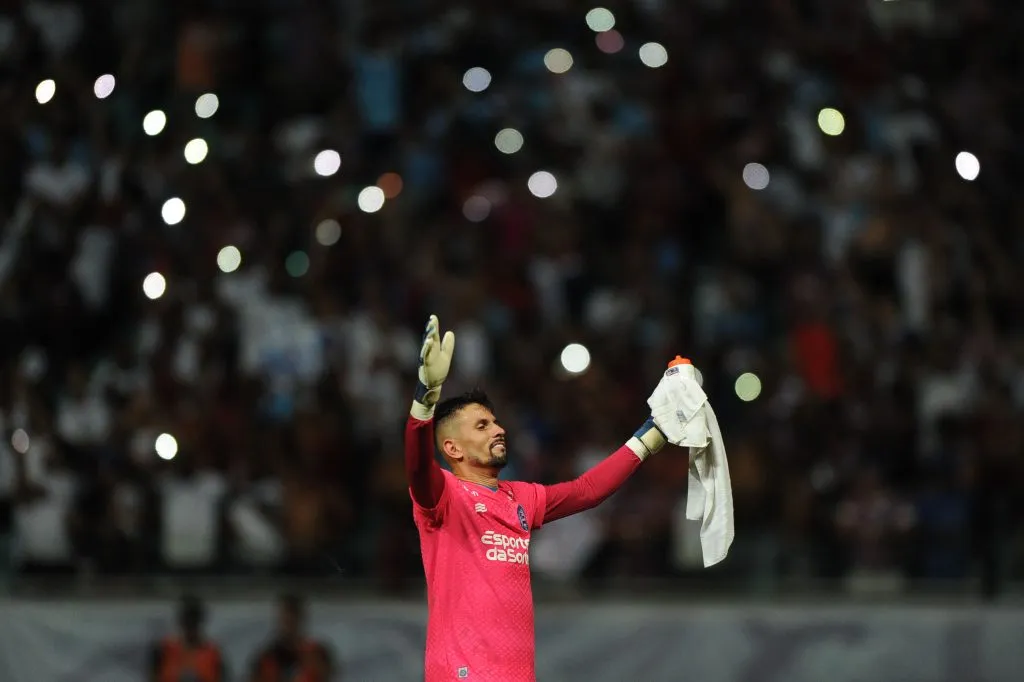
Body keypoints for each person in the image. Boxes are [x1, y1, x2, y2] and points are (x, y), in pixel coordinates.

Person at [404, 315, 670, 681]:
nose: (498, 429)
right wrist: (425, 399)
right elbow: (417, 467)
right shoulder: (444, 494)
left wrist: (650, 436)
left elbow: (586, 491)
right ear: (452, 447)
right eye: (482, 426)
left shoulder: (521, 497)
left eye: (496, 422)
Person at [249, 594, 336, 682]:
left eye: (293, 617)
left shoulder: (317, 655)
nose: (289, 622)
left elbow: (328, 676)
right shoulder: (267, 658)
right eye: (286, 617)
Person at [149, 594, 227, 682]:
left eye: (194, 621)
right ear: (181, 621)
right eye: (187, 621)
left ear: (200, 622)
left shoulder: (213, 653)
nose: (190, 626)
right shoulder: (164, 650)